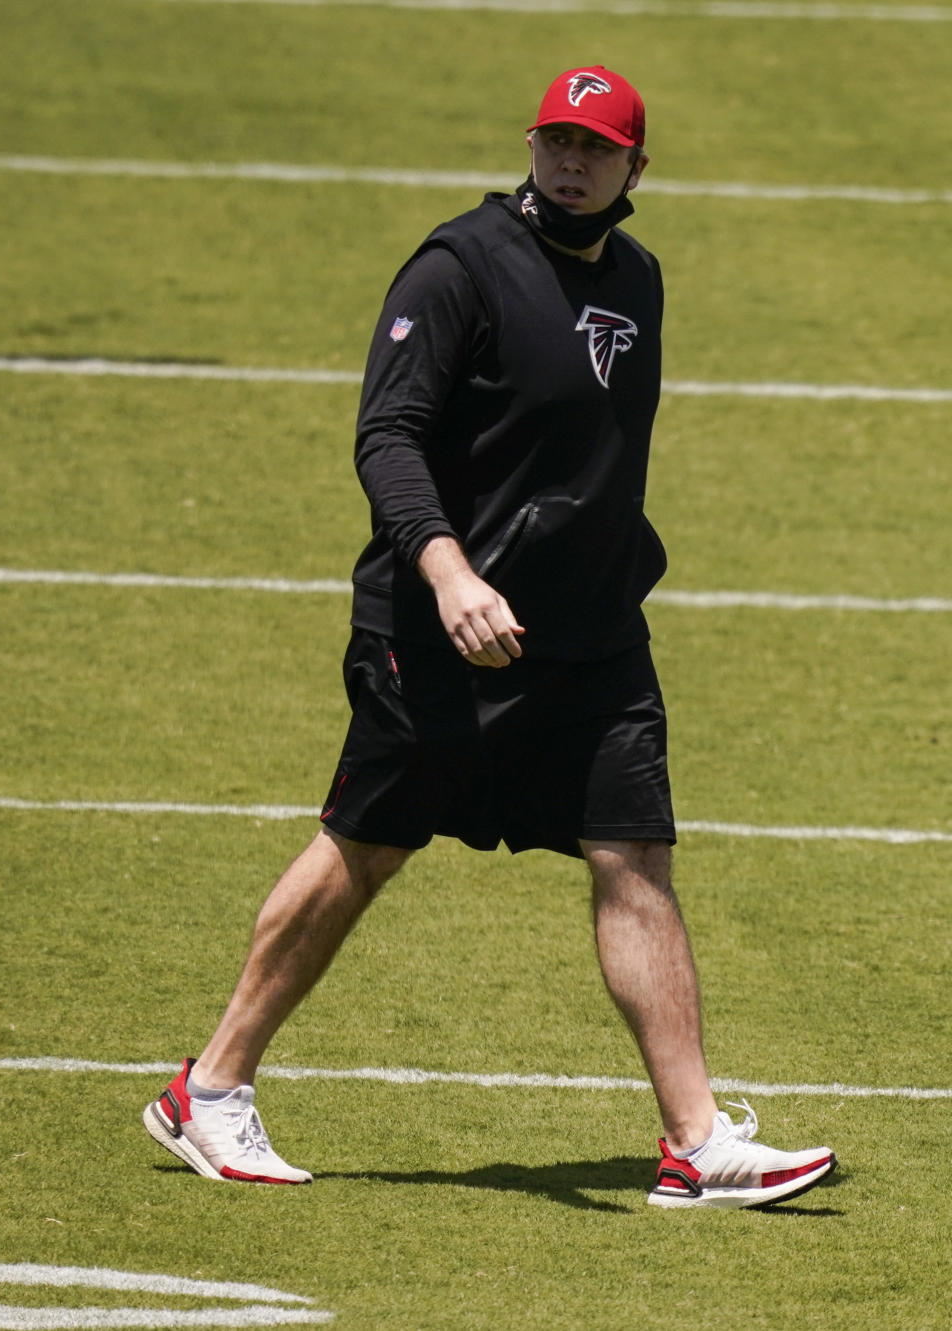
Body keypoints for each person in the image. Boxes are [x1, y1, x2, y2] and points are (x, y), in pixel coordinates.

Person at [143, 66, 836, 1208]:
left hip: (594, 638)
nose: (570, 162)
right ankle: (207, 1089)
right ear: (531, 146)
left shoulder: (639, 281)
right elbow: (389, 436)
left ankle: (695, 1138)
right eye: (554, 141)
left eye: (595, 147)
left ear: (635, 169)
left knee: (636, 857)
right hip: (446, 630)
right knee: (367, 845)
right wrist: (449, 568)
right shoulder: (458, 268)